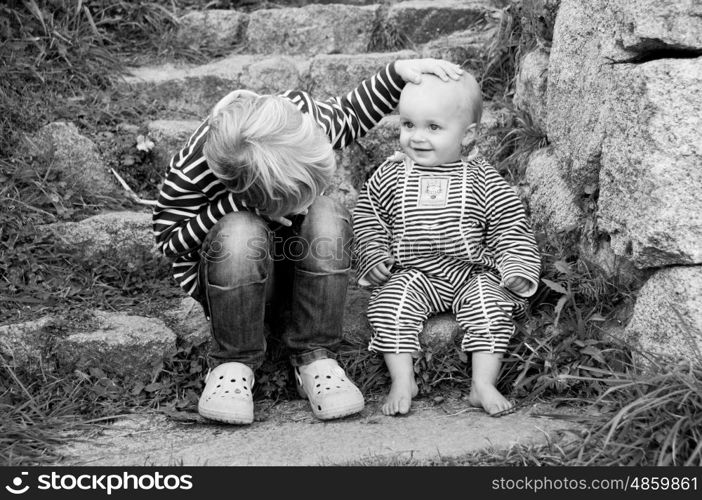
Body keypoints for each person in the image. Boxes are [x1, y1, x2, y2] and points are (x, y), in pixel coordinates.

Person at [153, 58, 464, 425]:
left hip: (308, 276)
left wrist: (397, 73)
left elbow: (351, 113)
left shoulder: (298, 124)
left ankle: (314, 357)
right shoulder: (195, 169)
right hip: (236, 287)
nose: (303, 205)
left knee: (328, 213)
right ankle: (232, 363)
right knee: (239, 231)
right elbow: (169, 241)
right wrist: (234, 206)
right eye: (294, 199)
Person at [352, 72, 541, 417]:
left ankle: (482, 383)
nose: (417, 137)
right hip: (416, 272)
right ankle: (403, 379)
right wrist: (374, 252)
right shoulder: (392, 174)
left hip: (471, 273)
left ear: (467, 134)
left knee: (490, 306)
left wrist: (515, 267)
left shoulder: (482, 177)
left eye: (433, 128)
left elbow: (509, 225)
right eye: (408, 124)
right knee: (390, 305)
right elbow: (369, 216)